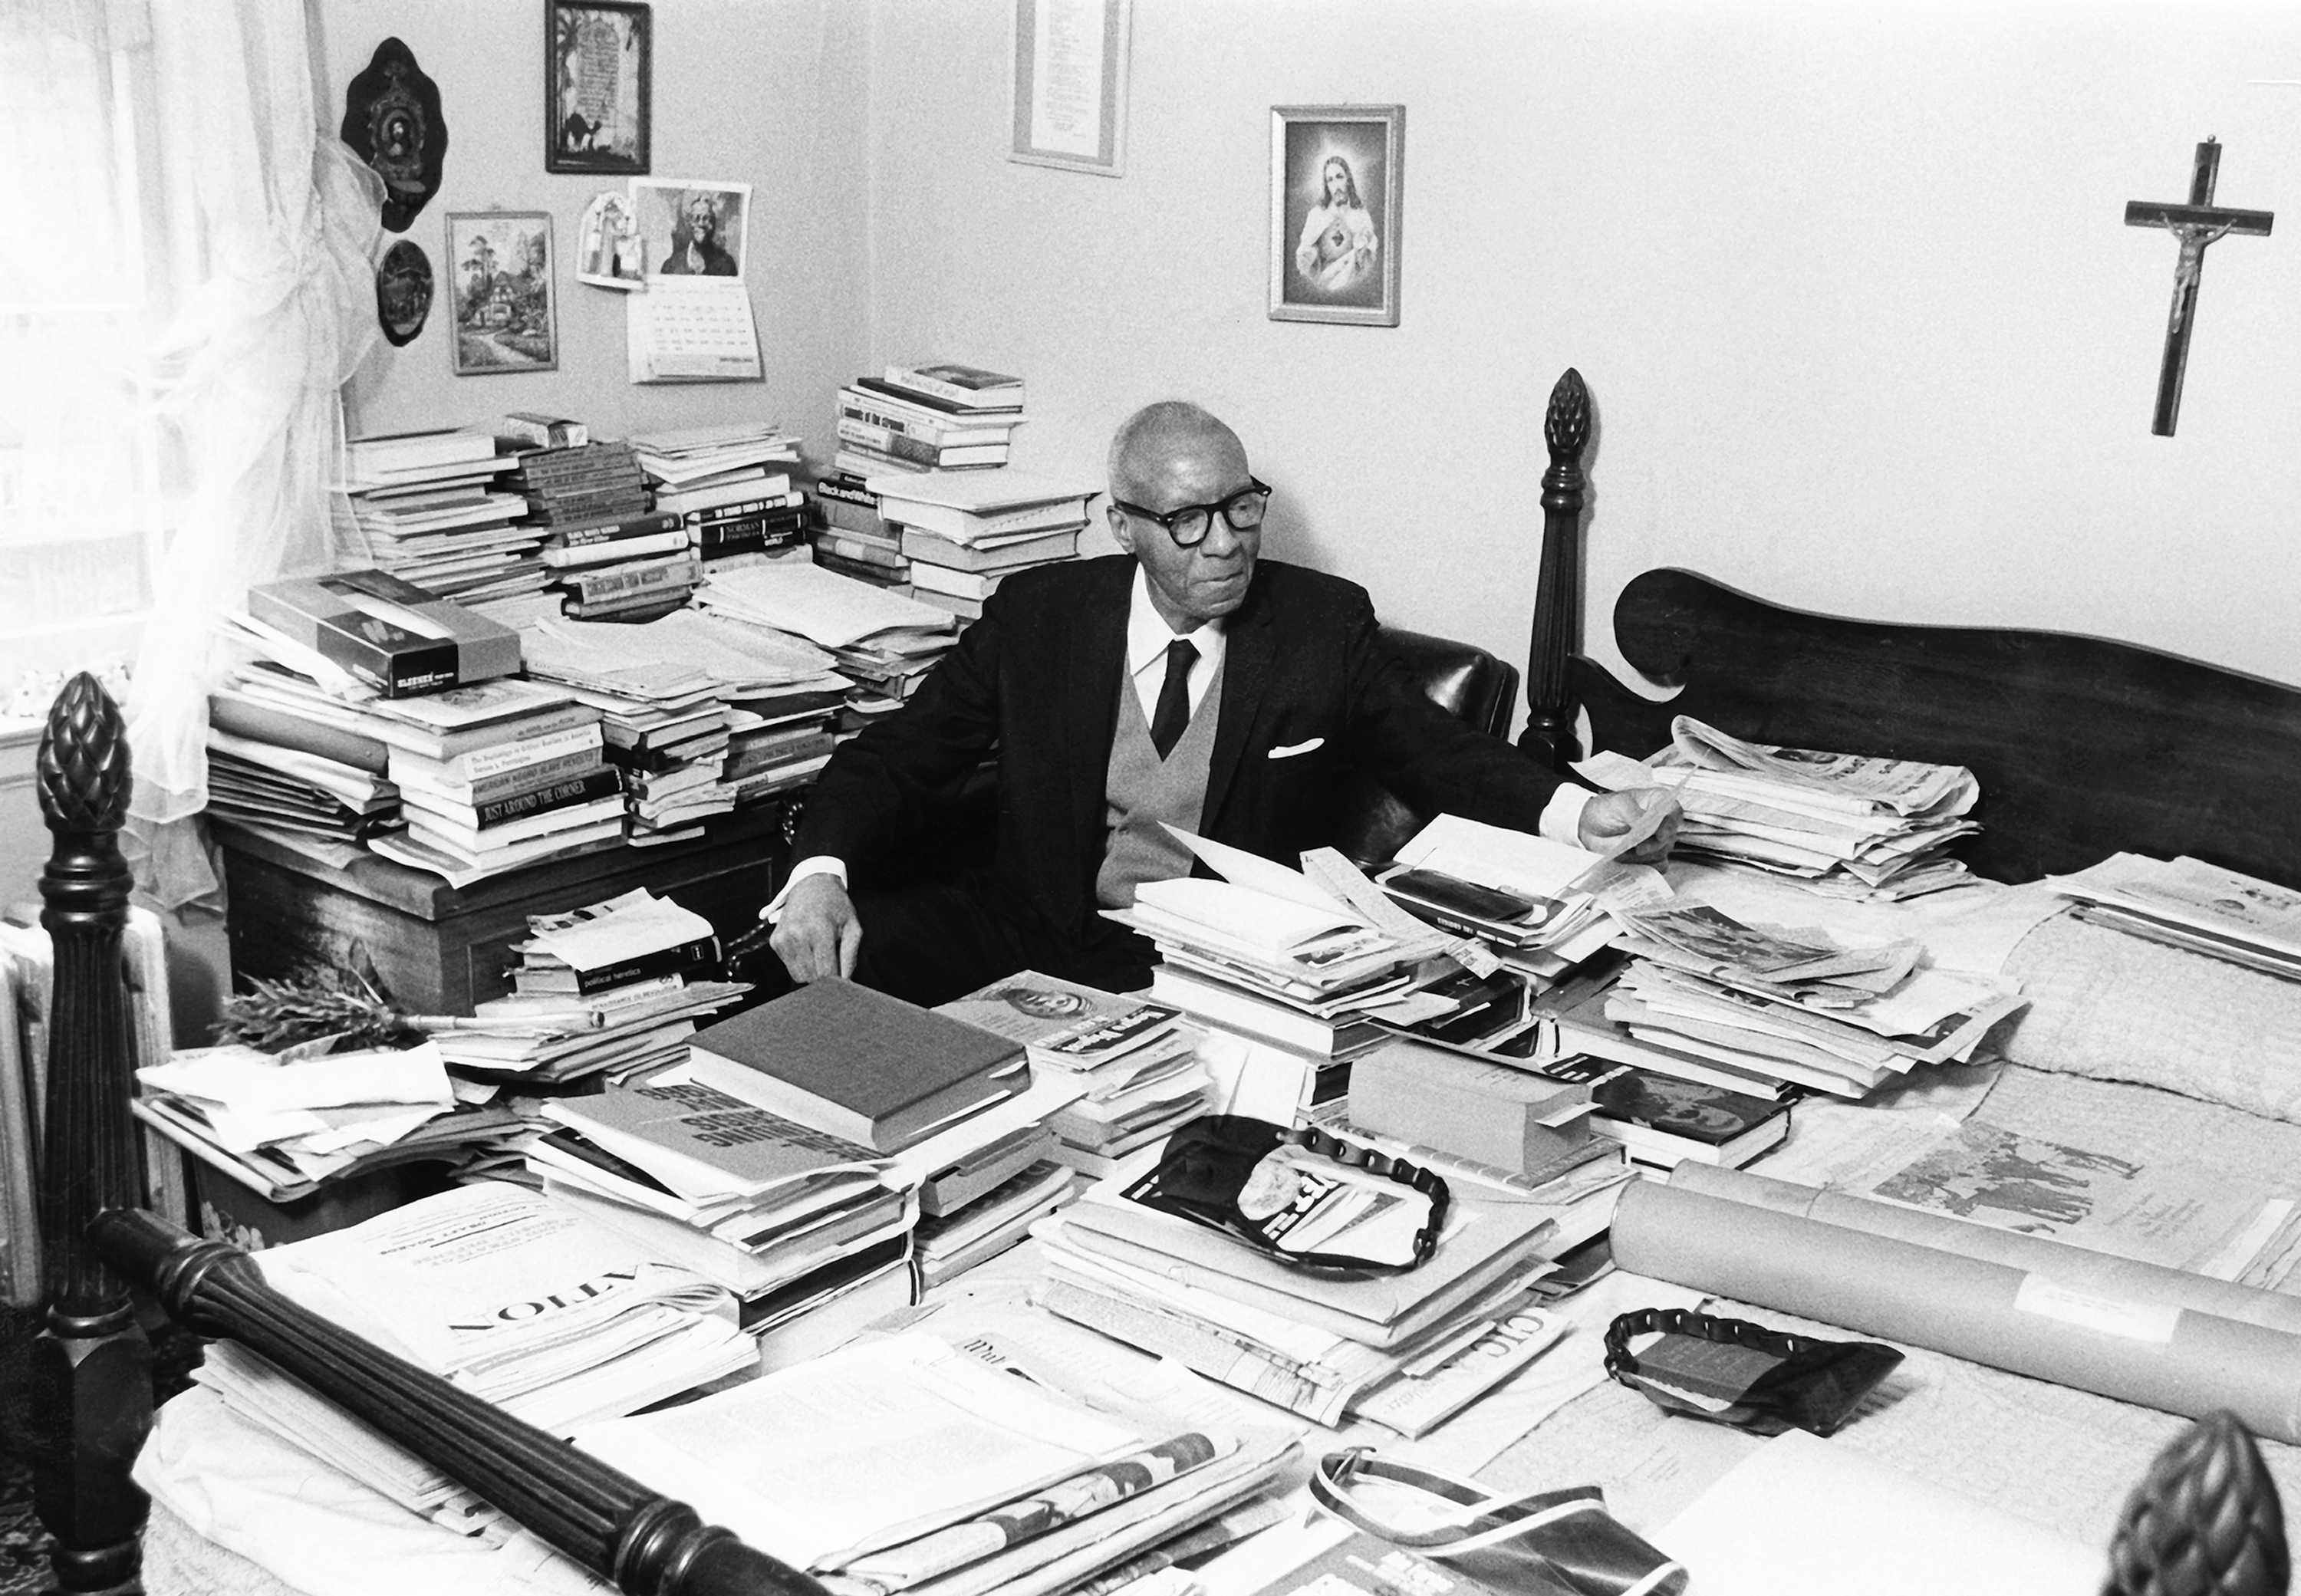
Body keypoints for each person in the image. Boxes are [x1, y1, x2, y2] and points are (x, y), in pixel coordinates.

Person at [771, 401, 1680, 1005]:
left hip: (1207, 958)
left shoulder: (1319, 626)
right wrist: (817, 878)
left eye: (1242, 508)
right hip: (1031, 924)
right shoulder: (1040, 618)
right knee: (826, 970)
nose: (1226, 545)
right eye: (1187, 520)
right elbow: (898, 757)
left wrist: (1581, 810)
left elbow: (1436, 748)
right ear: (1122, 525)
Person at [1293, 156, 1378, 293]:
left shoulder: (1361, 215)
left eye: (1340, 177)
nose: (1336, 185)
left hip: (1352, 283)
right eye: (1330, 180)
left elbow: (1370, 258)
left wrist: (1362, 249)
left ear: (1348, 180)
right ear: (1327, 186)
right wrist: (1309, 255)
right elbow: (1304, 254)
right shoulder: (1317, 215)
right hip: (1323, 280)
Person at [660, 191, 736, 276]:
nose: (701, 224)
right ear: (688, 223)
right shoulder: (671, 266)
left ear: (714, 223)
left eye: (706, 218)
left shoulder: (727, 264)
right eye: (696, 218)